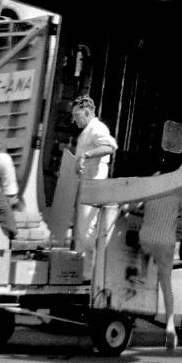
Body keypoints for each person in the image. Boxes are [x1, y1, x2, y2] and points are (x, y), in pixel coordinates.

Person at [70, 95, 118, 255]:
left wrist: (86, 155)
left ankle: (94, 267)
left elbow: (109, 147)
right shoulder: (86, 131)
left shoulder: (97, 128)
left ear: (87, 113)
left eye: (77, 115)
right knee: (82, 229)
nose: (74, 119)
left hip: (93, 185)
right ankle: (85, 269)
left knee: (87, 230)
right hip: (86, 185)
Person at [139, 195, 181, 352]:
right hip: (165, 243)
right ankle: (170, 325)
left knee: (143, 249)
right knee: (166, 285)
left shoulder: (151, 192)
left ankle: (143, 273)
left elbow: (133, 207)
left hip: (147, 239)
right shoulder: (177, 196)